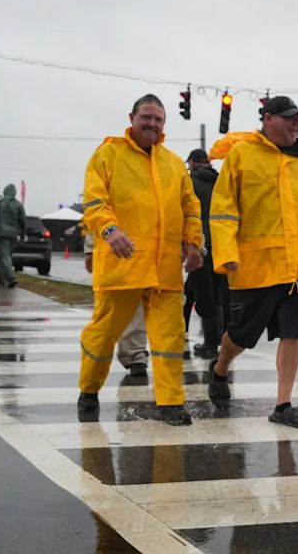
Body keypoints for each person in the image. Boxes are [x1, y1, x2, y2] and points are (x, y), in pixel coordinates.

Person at [77, 94, 204, 426]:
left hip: (165, 270)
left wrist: (194, 244)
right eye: (146, 117)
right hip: (122, 266)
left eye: (159, 119)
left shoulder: (174, 164)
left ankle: (170, 402)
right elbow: (94, 201)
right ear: (132, 117)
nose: (152, 124)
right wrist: (110, 230)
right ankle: (89, 391)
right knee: (103, 335)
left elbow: (190, 207)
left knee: (169, 338)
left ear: (165, 124)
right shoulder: (108, 154)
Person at [206, 96, 298, 429]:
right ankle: (220, 368)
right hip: (256, 267)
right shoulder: (243, 156)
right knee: (242, 336)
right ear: (268, 119)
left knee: (292, 333)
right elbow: (223, 208)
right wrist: (226, 253)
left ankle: (283, 404)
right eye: (289, 118)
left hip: (296, 268)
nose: (296, 124)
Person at [84, 228, 149, 377]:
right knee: (116, 309)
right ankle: (133, 355)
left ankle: (136, 354)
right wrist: (90, 249)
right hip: (117, 250)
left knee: (140, 305)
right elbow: (96, 214)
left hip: (149, 248)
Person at [185, 148, 230, 358]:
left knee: (204, 296)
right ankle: (218, 337)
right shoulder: (221, 182)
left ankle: (210, 343)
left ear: (193, 162)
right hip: (222, 245)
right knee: (216, 293)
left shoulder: (191, 184)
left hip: (200, 245)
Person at [0, 183, 26, 288]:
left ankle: (11, 277)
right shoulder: (18, 204)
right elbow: (23, 221)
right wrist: (22, 234)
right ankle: (1, 278)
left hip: (2, 233)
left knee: (4, 255)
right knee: (5, 255)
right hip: (13, 233)